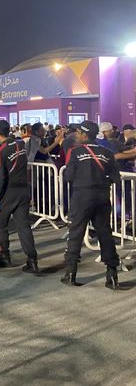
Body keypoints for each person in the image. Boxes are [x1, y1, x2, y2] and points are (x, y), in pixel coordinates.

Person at [61, 121, 122, 289]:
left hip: (81, 196)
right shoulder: (107, 152)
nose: (76, 135)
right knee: (105, 233)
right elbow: (116, 178)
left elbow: (68, 176)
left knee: (76, 232)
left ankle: (71, 273)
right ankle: (112, 275)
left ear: (85, 135)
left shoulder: (75, 152)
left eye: (79, 132)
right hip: (102, 196)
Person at [0, 120, 40, 273]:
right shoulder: (20, 145)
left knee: (1, 225)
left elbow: (1, 178)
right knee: (24, 227)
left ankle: (4, 255)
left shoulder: (0, 152)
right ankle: (32, 260)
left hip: (8, 193)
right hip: (23, 191)